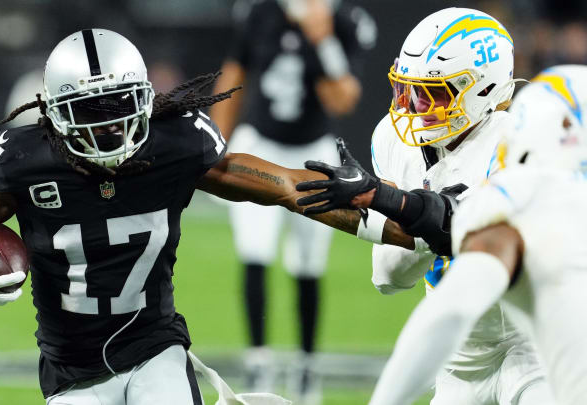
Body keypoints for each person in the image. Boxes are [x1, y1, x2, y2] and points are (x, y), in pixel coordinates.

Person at [0, 29, 410, 405]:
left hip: (155, 349)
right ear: (52, 113)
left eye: (118, 106)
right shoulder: (25, 161)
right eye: (89, 110)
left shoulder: (175, 144)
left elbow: (288, 188)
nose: (108, 126)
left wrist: (409, 228)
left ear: (146, 98)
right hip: (70, 371)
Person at [296, 7, 555, 405]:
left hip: (535, 340)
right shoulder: (392, 138)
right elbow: (388, 277)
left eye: (433, 92)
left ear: (482, 90)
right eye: (410, 89)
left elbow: (461, 228)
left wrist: (397, 209)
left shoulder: (520, 140)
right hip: (459, 355)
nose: (415, 106)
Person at [368, 64, 587, 405]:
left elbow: (451, 310)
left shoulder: (522, 201)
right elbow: (416, 287)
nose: (418, 105)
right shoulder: (521, 201)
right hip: (479, 361)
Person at [209, 0, 375, 399]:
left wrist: (322, 41)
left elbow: (343, 99)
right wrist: (212, 145)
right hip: (261, 146)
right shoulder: (259, 12)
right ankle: (259, 362)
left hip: (313, 156)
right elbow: (233, 78)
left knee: (308, 263)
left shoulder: (345, 21)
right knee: (255, 252)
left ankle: (306, 365)